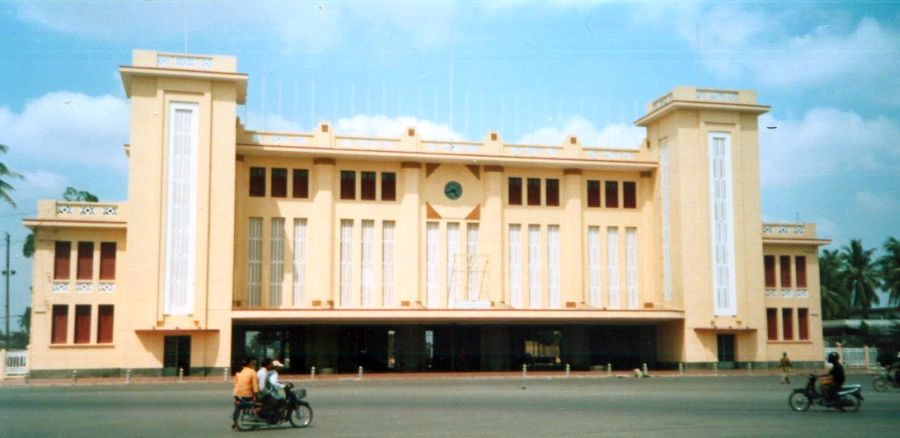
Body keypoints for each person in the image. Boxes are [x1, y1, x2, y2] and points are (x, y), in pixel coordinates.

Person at [232, 358, 259, 429]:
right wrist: (255, 395)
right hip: (248, 394)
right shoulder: (252, 371)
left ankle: (236, 420)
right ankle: (255, 416)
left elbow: (235, 385)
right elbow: (255, 385)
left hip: (238, 395)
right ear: (249, 364)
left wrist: (235, 396)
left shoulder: (238, 372)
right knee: (257, 402)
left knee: (240, 404)